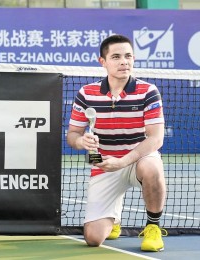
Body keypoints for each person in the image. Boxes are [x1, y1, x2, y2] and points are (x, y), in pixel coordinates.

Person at [66, 34, 167, 252]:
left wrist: (122, 162)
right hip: (103, 166)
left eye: (128, 56)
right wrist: (82, 141)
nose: (124, 61)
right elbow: (72, 135)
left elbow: (156, 139)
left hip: (137, 159)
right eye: (116, 57)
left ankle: (153, 227)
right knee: (93, 239)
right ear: (102, 62)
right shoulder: (86, 94)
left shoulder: (148, 92)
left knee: (152, 167)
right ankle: (115, 218)